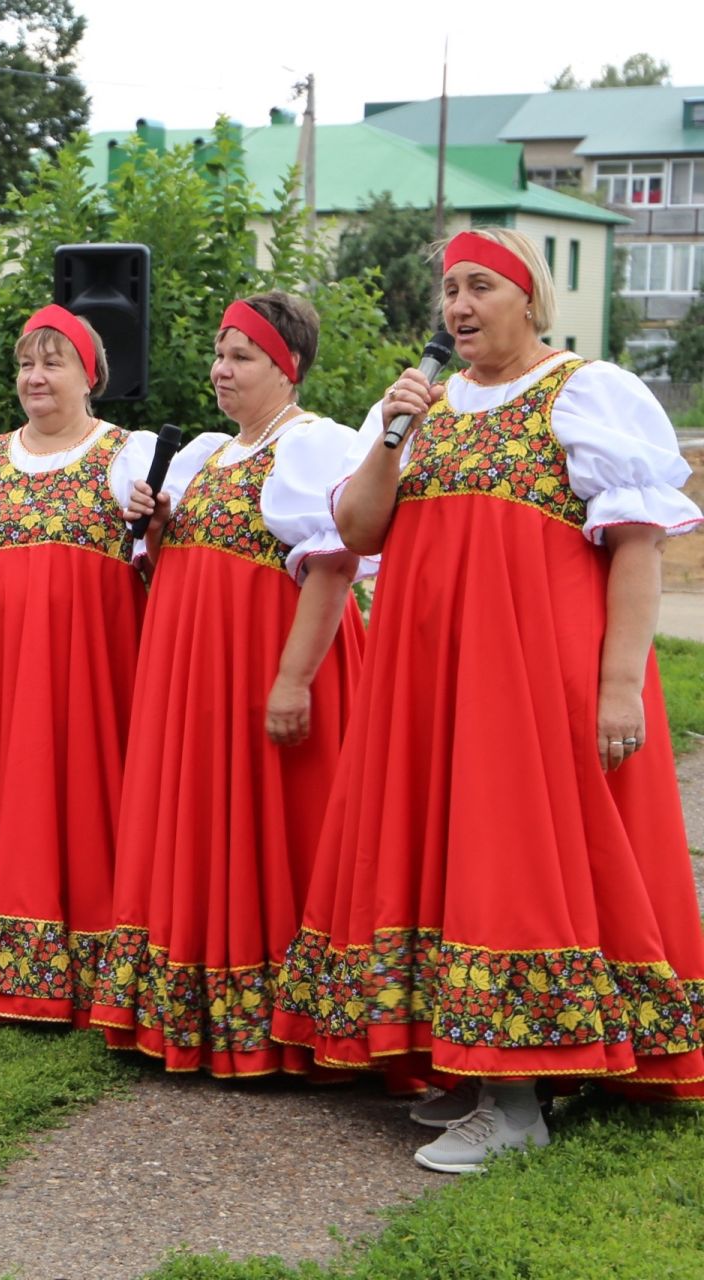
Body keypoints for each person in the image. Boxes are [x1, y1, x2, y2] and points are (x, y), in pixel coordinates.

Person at [272, 229, 704, 1171]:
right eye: (449, 292)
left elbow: (636, 543)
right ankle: (474, 1071)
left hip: (529, 680)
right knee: (446, 851)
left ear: (528, 299)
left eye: (479, 288)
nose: (458, 308)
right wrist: (391, 434)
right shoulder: (420, 405)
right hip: (427, 681)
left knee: (513, 862)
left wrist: (621, 683)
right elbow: (356, 527)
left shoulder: (580, 392)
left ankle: (518, 1106)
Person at [91, 292, 368, 1076]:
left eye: (241, 356)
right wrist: (153, 526)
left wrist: (292, 680)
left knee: (274, 832)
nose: (221, 369)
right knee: (201, 826)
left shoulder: (312, 446)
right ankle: (198, 1017)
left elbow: (333, 564)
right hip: (193, 683)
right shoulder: (205, 453)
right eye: (218, 354)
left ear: (289, 368)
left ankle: (286, 1025)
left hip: (264, 673)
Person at [0, 305, 158, 1024]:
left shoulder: (127, 451)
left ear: (89, 375)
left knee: (87, 793)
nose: (35, 376)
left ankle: (92, 961)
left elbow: (156, 558)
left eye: (53, 361)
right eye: (26, 362)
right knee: (1, 787)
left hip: (91, 669)